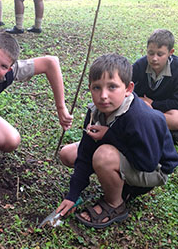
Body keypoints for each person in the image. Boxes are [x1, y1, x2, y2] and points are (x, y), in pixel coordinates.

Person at [56, 53, 178, 229]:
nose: (103, 96)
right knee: (69, 154)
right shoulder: (95, 112)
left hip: (155, 167)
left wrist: (109, 136)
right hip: (128, 151)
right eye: (97, 88)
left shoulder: (139, 117)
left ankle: (115, 204)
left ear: (128, 88)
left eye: (112, 87)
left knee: (103, 156)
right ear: (90, 88)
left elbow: (147, 162)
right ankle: (117, 181)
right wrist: (72, 195)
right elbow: (84, 154)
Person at [132, 29, 178, 143]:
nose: (154, 58)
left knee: (176, 119)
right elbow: (124, 87)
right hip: (142, 107)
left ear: (170, 52)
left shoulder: (177, 68)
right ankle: (161, 131)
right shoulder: (139, 65)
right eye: (150, 53)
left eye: (160, 54)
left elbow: (176, 102)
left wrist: (153, 104)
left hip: (166, 110)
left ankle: (148, 127)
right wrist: (141, 103)